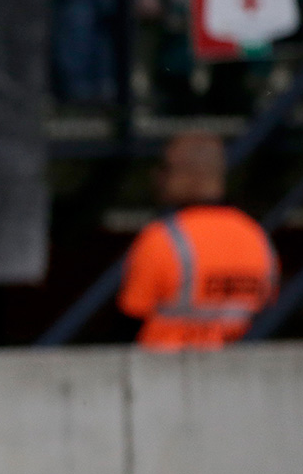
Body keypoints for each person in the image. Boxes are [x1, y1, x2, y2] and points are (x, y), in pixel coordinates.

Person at [117, 130, 279, 350]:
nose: (157, 176)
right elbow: (268, 309)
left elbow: (130, 319)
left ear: (188, 175)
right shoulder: (256, 237)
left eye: (165, 168)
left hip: (163, 366)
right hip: (239, 366)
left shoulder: (161, 238)